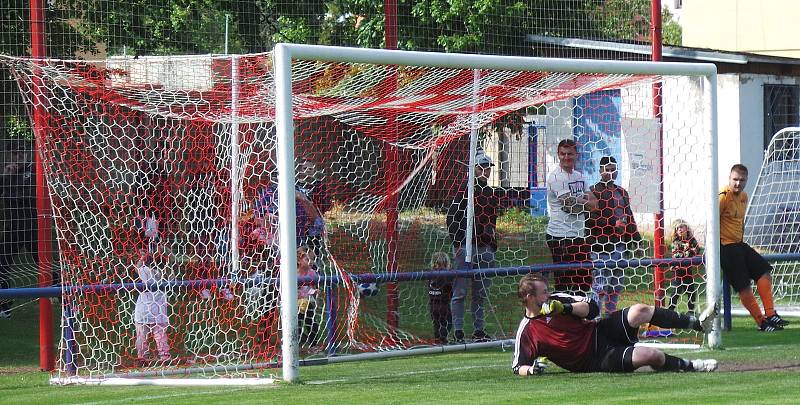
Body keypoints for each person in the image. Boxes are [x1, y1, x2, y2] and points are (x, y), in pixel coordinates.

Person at [511, 273, 718, 375]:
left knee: (639, 310)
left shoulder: (557, 300)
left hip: (599, 331)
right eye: (543, 292)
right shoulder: (527, 331)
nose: (548, 294)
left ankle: (697, 324)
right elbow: (518, 365)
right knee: (649, 355)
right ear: (530, 297)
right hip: (595, 359)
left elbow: (592, 309)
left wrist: (565, 308)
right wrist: (531, 370)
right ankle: (690, 366)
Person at [719, 164, 789, 331]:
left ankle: (771, 314)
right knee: (744, 286)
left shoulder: (744, 196)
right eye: (735, 179)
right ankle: (762, 322)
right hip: (726, 247)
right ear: (729, 178)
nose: (738, 183)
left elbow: (739, 222)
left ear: (746, 181)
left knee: (763, 270)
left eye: (741, 180)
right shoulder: (722, 197)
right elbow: (712, 221)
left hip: (739, 244)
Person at [446, 149, 499, 343]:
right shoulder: (464, 190)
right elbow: (452, 217)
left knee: (480, 293)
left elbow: (492, 221)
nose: (486, 170)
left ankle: (478, 330)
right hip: (466, 248)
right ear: (474, 169)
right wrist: (458, 243)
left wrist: (493, 243)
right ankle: (458, 331)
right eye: (481, 167)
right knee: (460, 291)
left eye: (488, 167)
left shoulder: (490, 193)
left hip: (485, 248)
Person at [586, 156, 641, 317]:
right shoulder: (593, 191)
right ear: (600, 171)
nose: (611, 173)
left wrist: (636, 241)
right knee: (600, 286)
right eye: (607, 170)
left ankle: (611, 317)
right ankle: (594, 318)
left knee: (616, 286)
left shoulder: (621, 192)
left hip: (620, 246)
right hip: (601, 246)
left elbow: (629, 218)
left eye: (613, 169)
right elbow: (590, 219)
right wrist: (612, 224)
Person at [545, 139, 597, 295]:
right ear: (558, 155)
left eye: (570, 154)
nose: (566, 157)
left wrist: (578, 200)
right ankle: (562, 316)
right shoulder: (556, 177)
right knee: (565, 283)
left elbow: (595, 205)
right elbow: (571, 208)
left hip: (578, 235)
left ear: (576, 155)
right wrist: (583, 201)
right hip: (560, 236)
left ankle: (579, 316)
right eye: (563, 154)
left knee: (584, 281)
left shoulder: (579, 176)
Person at [0, 143, 38, 318]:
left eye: (20, 152)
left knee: (43, 264)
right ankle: (4, 306)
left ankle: (65, 299)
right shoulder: (8, 173)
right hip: (12, 228)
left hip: (33, 228)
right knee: (2, 263)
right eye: (14, 153)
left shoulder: (35, 170)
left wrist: (11, 194)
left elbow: (29, 195)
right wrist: (6, 176)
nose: (17, 156)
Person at [134, 249, 171, 363]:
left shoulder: (146, 272)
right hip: (159, 311)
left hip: (143, 310)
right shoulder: (165, 273)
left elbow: (137, 268)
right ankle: (165, 357)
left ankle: (142, 358)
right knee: (160, 336)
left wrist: (142, 258)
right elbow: (171, 264)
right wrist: (165, 251)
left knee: (141, 336)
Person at [667, 219, 700, 315]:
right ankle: (670, 312)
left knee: (691, 292)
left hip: (688, 271)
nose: (680, 229)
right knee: (676, 291)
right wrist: (688, 250)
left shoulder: (692, 240)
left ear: (687, 228)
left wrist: (690, 250)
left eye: (681, 227)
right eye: (677, 228)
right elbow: (679, 255)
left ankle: (691, 312)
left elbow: (696, 250)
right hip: (678, 271)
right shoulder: (676, 241)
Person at [297, 245, 320, 347]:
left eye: (313, 259)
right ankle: (295, 345)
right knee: (296, 324)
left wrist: (314, 291)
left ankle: (313, 345)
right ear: (299, 260)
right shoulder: (292, 273)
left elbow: (312, 288)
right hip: (294, 304)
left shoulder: (311, 273)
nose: (311, 262)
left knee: (312, 324)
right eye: (307, 259)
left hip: (306, 303)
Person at [428, 252, 453, 345]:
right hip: (444, 304)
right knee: (448, 322)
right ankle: (443, 338)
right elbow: (450, 289)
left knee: (436, 323)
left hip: (432, 304)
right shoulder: (447, 275)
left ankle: (437, 339)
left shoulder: (430, 274)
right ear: (446, 263)